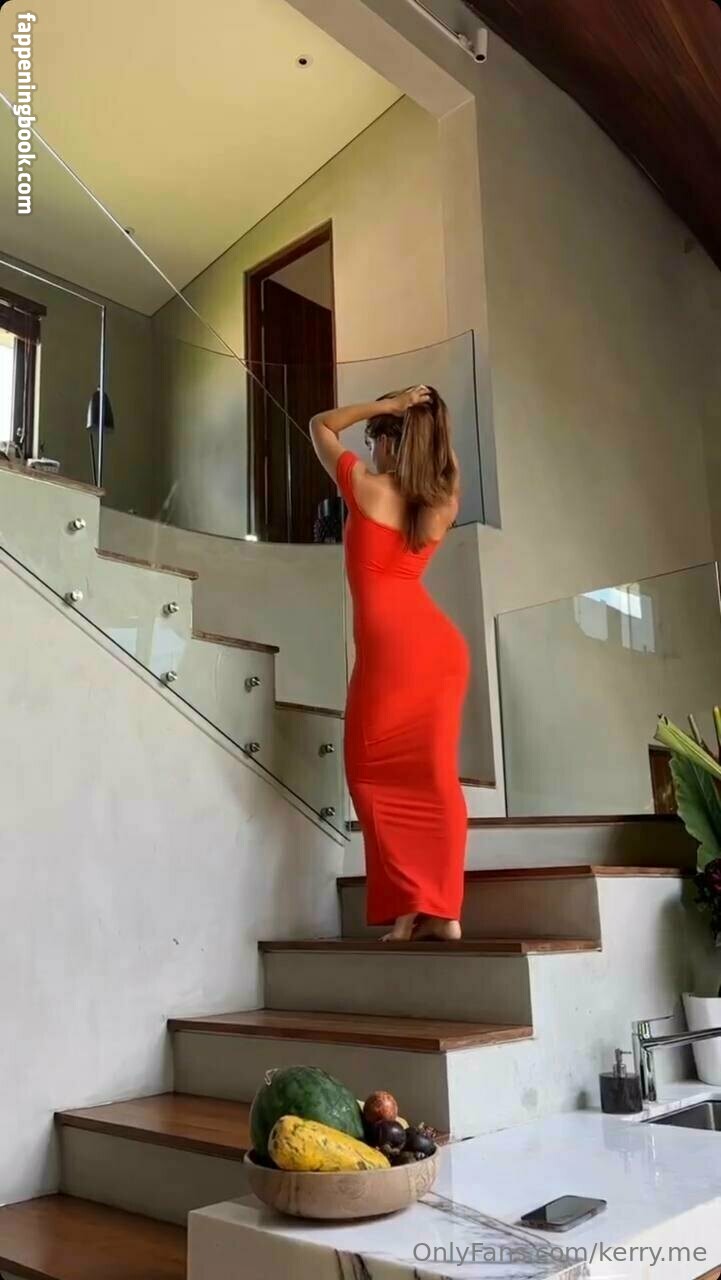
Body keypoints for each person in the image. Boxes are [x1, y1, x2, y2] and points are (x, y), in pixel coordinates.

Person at [310, 385, 469, 942]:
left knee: (370, 775)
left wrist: (387, 406)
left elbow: (320, 424)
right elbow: (445, 463)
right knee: (432, 779)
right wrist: (422, 421)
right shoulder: (442, 503)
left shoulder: (366, 488)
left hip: (394, 655)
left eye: (373, 438)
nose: (367, 448)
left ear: (388, 441)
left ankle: (427, 907)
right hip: (437, 651)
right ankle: (432, 911)